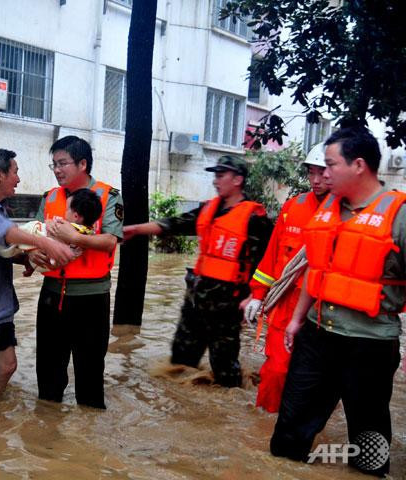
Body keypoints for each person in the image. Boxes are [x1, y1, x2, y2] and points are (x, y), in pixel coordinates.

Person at [270, 127, 405, 476]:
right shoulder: (327, 210)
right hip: (316, 335)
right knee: (287, 437)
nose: (323, 173)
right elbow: (317, 271)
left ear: (358, 165)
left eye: (330, 165)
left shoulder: (399, 215)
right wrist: (297, 320)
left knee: (368, 446)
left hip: (370, 342)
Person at [124, 156, 272, 387]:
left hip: (227, 303)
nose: (216, 181)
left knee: (225, 372)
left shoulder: (255, 219)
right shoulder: (208, 209)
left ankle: (224, 413)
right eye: (216, 176)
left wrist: (255, 297)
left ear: (237, 180)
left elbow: (266, 261)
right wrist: (136, 229)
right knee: (181, 363)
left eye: (221, 176)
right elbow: (175, 224)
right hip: (197, 296)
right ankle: (181, 408)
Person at [0, 149, 73, 410]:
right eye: (15, 172)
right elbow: (4, 233)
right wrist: (45, 243)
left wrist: (27, 260)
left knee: (7, 366)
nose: (18, 179)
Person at [28, 136, 123, 409]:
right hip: (52, 297)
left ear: (82, 164)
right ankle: (47, 440)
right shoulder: (50, 198)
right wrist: (31, 254)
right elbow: (33, 238)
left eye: (63, 163)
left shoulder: (108, 195)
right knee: (47, 378)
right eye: (54, 164)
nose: (57, 170)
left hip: (92, 299)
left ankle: (89, 444)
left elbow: (109, 242)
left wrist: (75, 237)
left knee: (90, 376)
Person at [242, 144, 329, 413]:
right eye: (311, 172)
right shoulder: (293, 207)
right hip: (285, 307)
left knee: (316, 382)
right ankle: (263, 428)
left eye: (322, 172)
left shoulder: (348, 212)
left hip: (323, 312)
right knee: (275, 372)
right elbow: (271, 258)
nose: (315, 180)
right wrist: (257, 296)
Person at [0, 188, 103, 274]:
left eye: (67, 209)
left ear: (75, 216)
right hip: (48, 265)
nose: (64, 212)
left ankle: (7, 238)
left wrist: (48, 223)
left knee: (33, 227)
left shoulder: (67, 227)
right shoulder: (89, 233)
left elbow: (51, 229)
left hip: (41, 258)